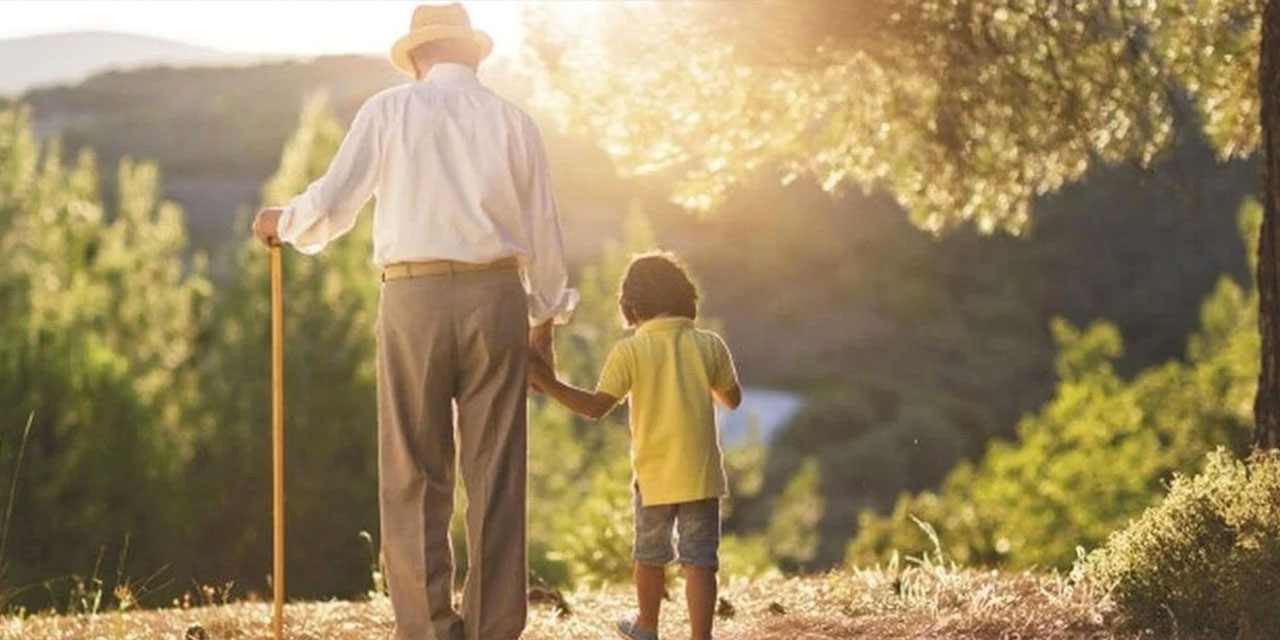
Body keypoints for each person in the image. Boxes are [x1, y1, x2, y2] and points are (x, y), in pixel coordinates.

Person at [251, 4, 577, 640]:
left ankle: (430, 629)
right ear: (472, 54)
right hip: (498, 296)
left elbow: (335, 200)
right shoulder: (515, 121)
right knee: (496, 472)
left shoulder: (389, 111)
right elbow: (545, 231)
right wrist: (544, 325)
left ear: (420, 57)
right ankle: (491, 629)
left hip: (412, 297)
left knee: (413, 469)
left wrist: (282, 221)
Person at [528, 252, 742, 640]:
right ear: (686, 297)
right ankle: (701, 636)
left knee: (650, 554)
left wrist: (549, 383)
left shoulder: (629, 351)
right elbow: (733, 399)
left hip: (655, 475)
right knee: (700, 560)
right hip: (701, 473)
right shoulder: (710, 344)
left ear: (631, 306)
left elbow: (595, 408)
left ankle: (646, 627)